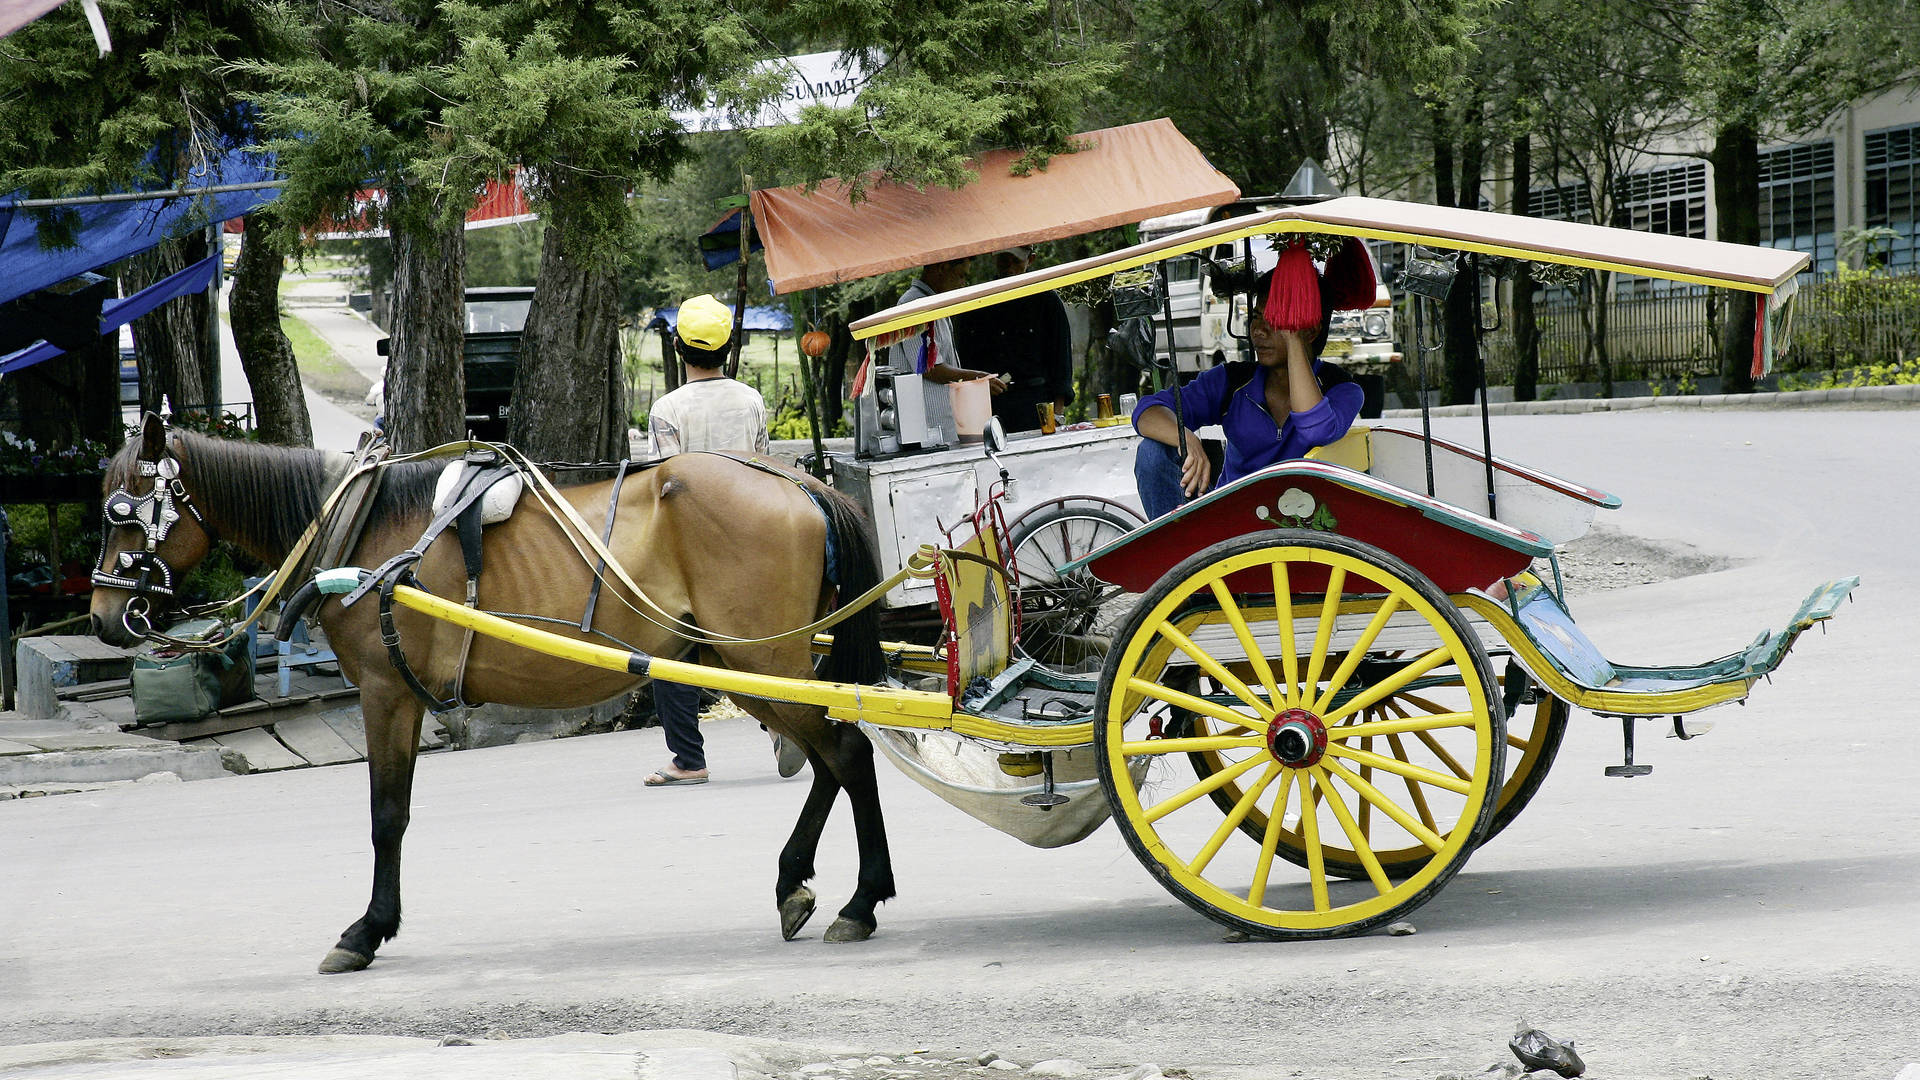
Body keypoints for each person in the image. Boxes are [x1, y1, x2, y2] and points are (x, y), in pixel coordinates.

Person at [642, 293, 805, 785]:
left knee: (670, 647)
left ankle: (688, 760)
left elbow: (665, 485)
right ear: (729, 346)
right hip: (755, 537)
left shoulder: (667, 409)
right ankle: (778, 723)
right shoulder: (750, 400)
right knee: (756, 640)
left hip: (694, 548)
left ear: (678, 348)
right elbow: (763, 465)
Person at [1130, 237, 1374, 519]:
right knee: (1152, 450)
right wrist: (1187, 439)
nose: (1257, 330)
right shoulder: (1232, 380)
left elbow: (1315, 430)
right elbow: (1146, 411)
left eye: (1273, 320)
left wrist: (1293, 338)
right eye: (1256, 317)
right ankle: (1175, 556)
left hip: (1303, 525)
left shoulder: (1342, 389)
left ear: (1310, 331)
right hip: (1230, 519)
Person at [955, 246, 1073, 432]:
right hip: (991, 406)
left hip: (1036, 402)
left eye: (1016, 262)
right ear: (995, 260)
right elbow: (964, 360)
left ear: (1030, 260)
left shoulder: (1047, 300)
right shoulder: (977, 304)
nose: (1009, 269)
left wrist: (1057, 415)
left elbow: (1061, 362)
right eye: (1003, 261)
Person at [888, 257, 1007, 391]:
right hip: (924, 411)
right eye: (961, 275)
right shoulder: (913, 304)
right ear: (942, 268)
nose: (963, 283)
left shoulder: (935, 304)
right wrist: (977, 378)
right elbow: (928, 367)